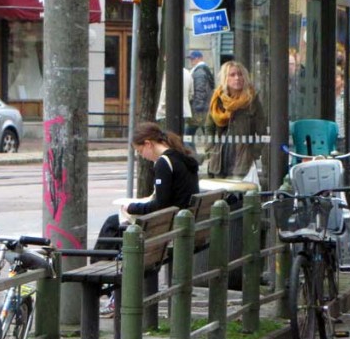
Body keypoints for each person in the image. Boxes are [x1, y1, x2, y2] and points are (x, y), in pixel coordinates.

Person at [94, 123, 201, 315]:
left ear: (149, 144)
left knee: (113, 225)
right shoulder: (183, 158)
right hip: (180, 223)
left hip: (167, 229)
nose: (142, 156)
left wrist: (132, 207)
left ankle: (99, 281)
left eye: (140, 150)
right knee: (115, 223)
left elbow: (160, 204)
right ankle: (104, 283)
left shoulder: (163, 163)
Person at [205, 61, 266, 180]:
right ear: (225, 78)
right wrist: (210, 150)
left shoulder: (252, 100)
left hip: (243, 156)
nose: (237, 78)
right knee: (219, 193)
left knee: (237, 192)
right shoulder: (217, 99)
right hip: (220, 156)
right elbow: (209, 127)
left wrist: (253, 153)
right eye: (232, 75)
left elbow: (261, 130)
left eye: (240, 74)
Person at [188, 50, 215, 138]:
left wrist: (197, 107)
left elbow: (200, 90)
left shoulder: (199, 72)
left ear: (200, 58)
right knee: (207, 133)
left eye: (194, 59)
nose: (192, 61)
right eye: (191, 59)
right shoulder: (204, 70)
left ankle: (190, 151)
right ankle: (212, 150)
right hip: (205, 107)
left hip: (200, 109)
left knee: (188, 135)